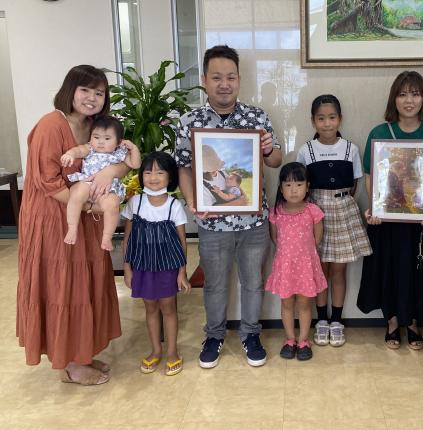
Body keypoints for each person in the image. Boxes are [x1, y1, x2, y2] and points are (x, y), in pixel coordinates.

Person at [16, 65, 127, 385]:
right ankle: (71, 365)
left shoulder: (95, 126)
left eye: (99, 92)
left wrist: (110, 172)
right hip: (53, 220)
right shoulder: (51, 126)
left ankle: (81, 353)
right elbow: (49, 182)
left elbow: (121, 157)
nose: (92, 98)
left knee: (85, 284)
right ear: (70, 91)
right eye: (85, 90)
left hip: (86, 217)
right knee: (64, 286)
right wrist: (90, 205)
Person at [175, 45, 282, 368]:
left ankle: (251, 334)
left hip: (254, 222)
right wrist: (192, 202)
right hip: (211, 223)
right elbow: (183, 168)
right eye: (217, 77)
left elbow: (275, 161)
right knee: (215, 284)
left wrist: (268, 149)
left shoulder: (257, 117)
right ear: (205, 79)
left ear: (239, 79)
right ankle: (214, 336)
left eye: (231, 77)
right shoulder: (190, 121)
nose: (225, 84)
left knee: (253, 282)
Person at [357, 71, 423, 349]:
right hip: (386, 218)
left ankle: (412, 322)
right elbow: (370, 174)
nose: (409, 100)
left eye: (415, 94)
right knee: (388, 268)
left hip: (420, 220)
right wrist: (375, 206)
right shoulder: (379, 133)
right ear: (394, 99)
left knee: (418, 270)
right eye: (403, 94)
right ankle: (392, 320)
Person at [296, 94, 371, 347]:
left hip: (343, 211)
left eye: (332, 117)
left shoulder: (351, 149)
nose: (327, 123)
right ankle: (321, 320)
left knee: (339, 270)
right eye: (321, 118)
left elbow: (355, 184)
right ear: (313, 121)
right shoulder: (306, 150)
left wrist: (340, 201)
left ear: (340, 119)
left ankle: (336, 321)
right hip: (314, 213)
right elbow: (300, 186)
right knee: (319, 270)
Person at [122, 152, 191, 376]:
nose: (153, 177)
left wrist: (182, 272)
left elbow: (182, 241)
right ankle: (155, 351)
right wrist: (127, 268)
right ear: (141, 175)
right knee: (150, 308)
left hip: (168, 267)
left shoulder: (174, 205)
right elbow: (127, 238)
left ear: (170, 177)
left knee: (169, 309)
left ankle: (172, 352)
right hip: (142, 266)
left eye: (160, 172)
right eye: (148, 172)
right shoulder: (135, 203)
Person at [265, 163, 326, 360]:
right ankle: (290, 339)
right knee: (287, 304)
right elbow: (275, 238)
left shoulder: (313, 211)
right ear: (281, 188)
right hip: (285, 266)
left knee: (305, 304)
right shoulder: (276, 212)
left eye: (299, 185)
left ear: (307, 187)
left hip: (306, 267)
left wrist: (303, 255)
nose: (293, 190)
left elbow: (317, 238)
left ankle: (303, 340)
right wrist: (289, 255)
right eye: (288, 185)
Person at [62, 115, 141, 251]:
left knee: (112, 205)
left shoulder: (119, 153)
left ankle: (107, 237)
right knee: (77, 194)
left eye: (107, 138)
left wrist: (133, 149)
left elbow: (135, 164)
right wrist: (70, 154)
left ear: (119, 142)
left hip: (108, 189)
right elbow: (78, 150)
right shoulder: (90, 148)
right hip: (88, 182)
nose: (100, 142)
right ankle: (72, 227)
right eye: (96, 137)